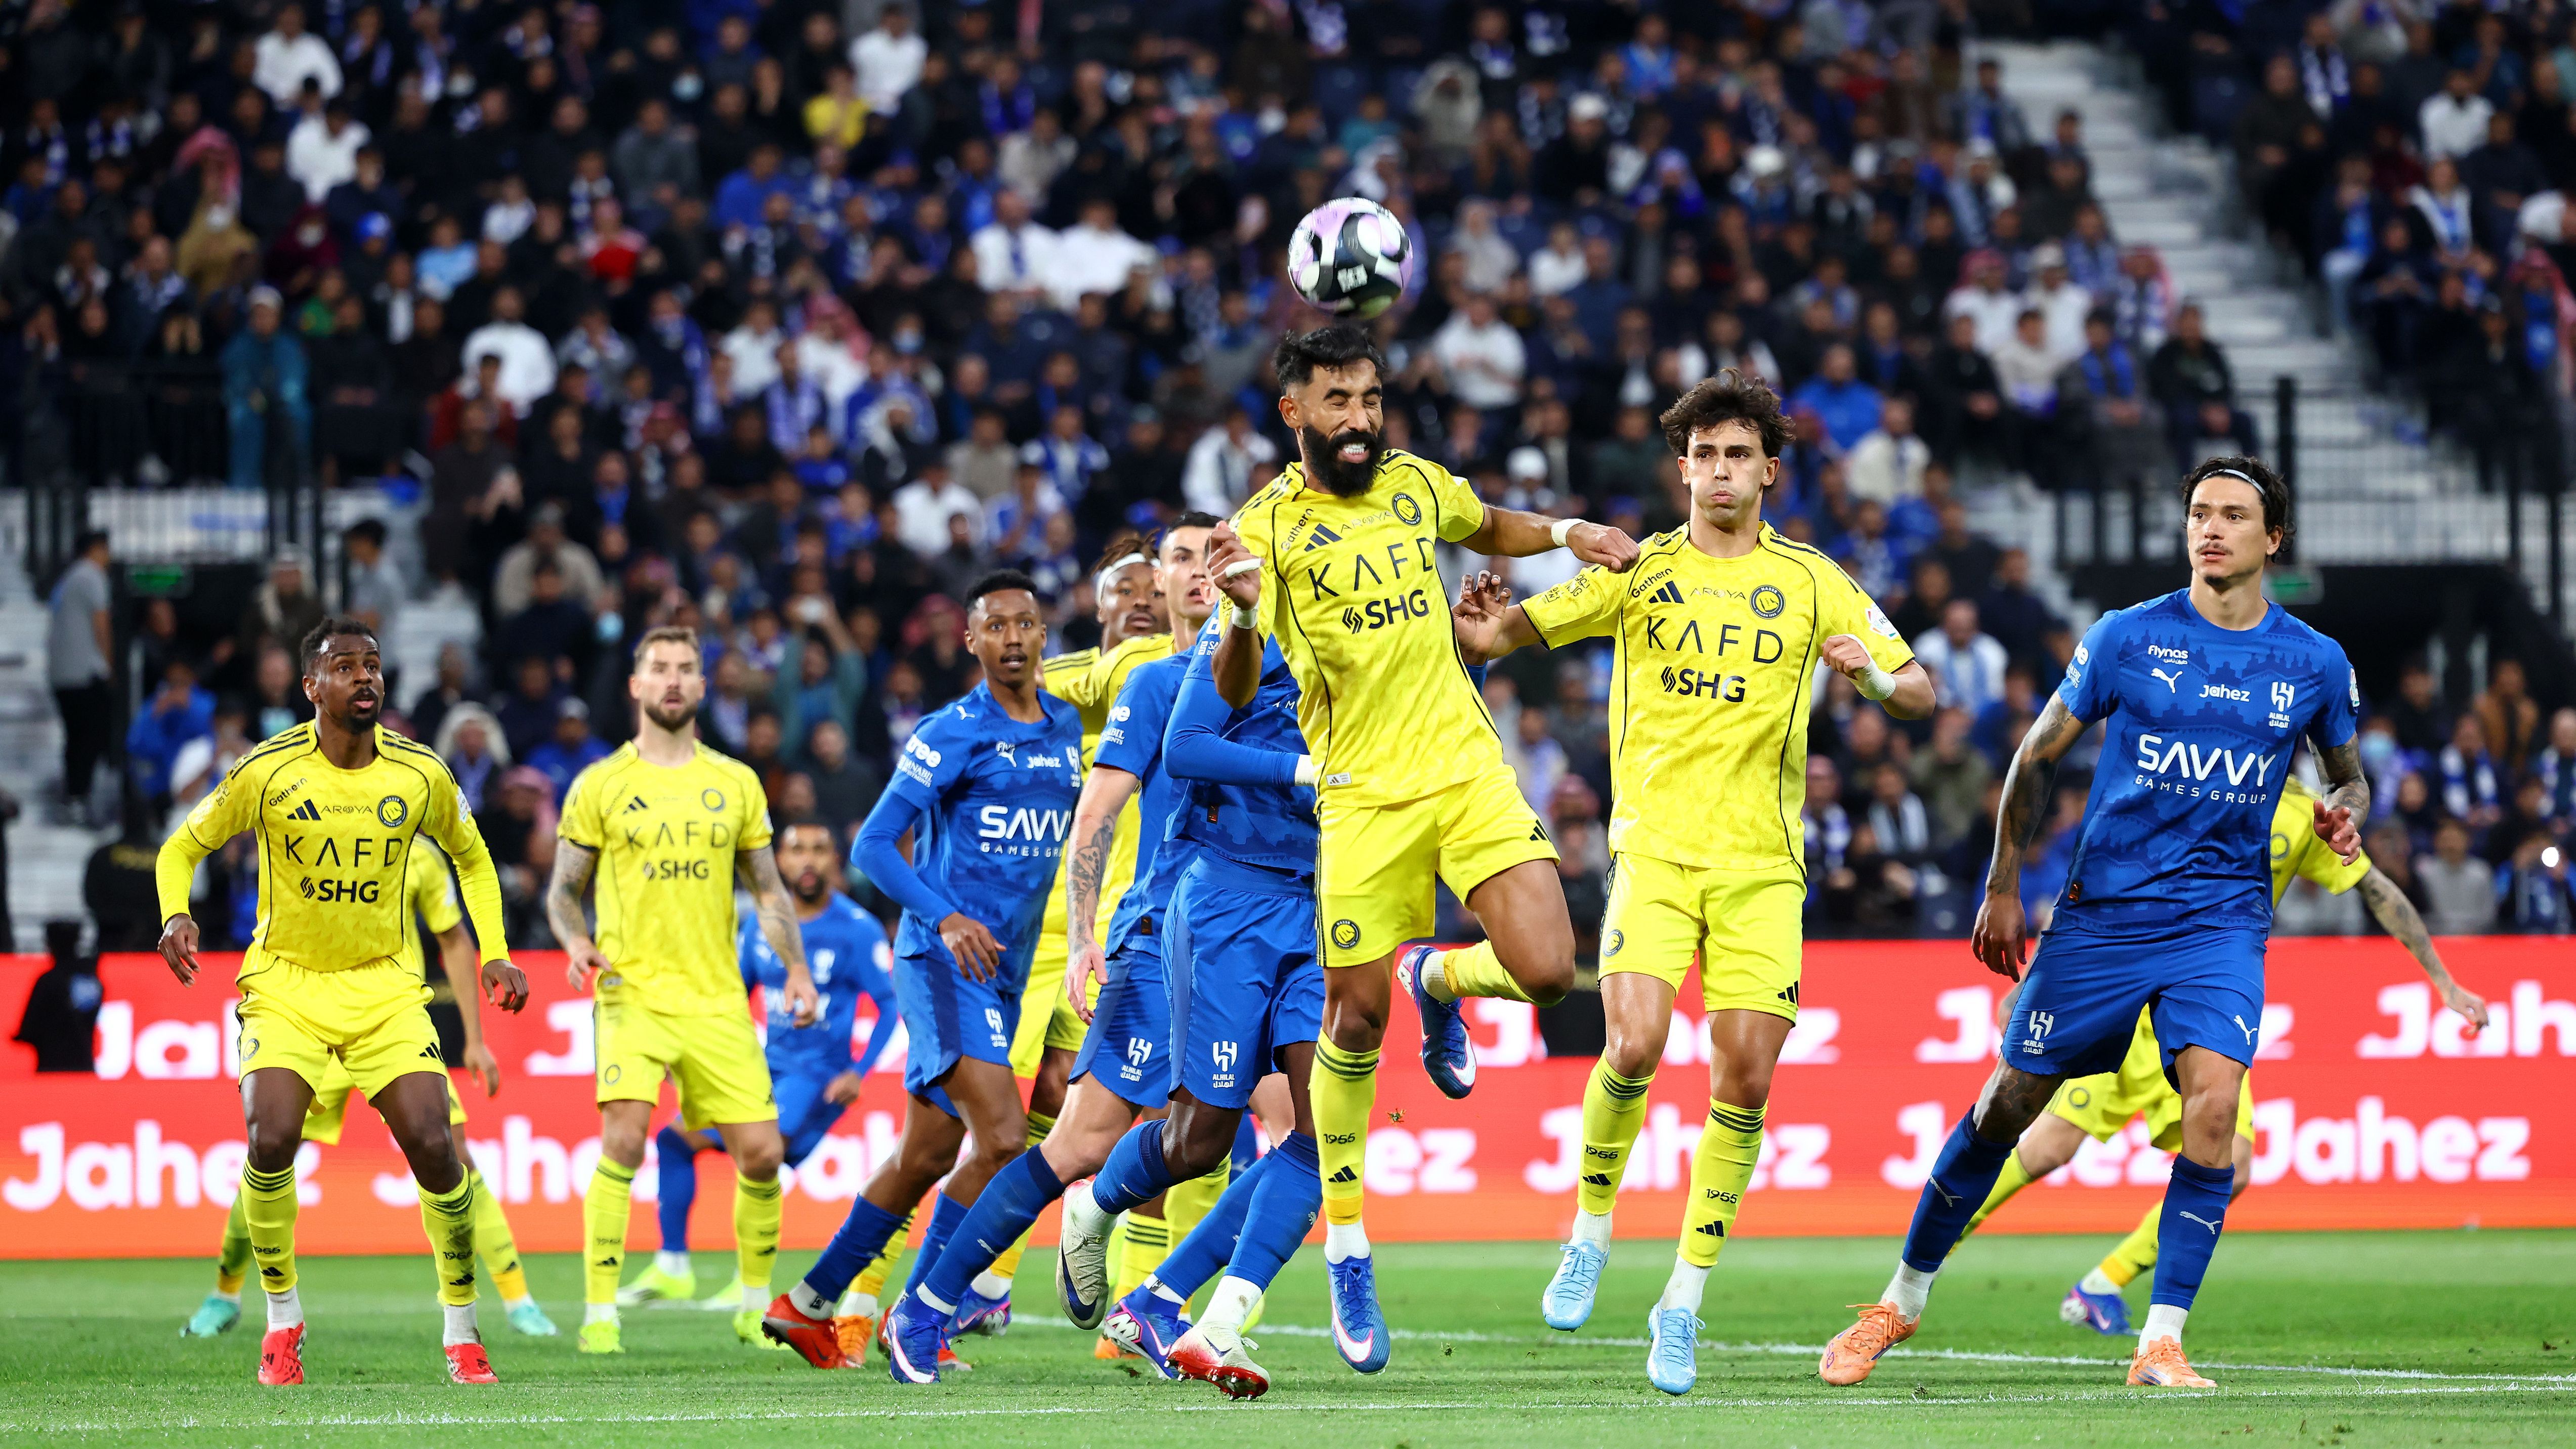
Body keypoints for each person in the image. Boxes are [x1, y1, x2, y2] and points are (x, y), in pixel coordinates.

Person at [1818, 458, 2364, 1391]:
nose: (2212, 529)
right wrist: (2001, 883)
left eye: (2234, 515)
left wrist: (2344, 806)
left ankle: (2160, 1341)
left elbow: (2347, 770)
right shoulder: (2127, 637)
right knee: (2006, 1107)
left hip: (2221, 922)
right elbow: (2036, 756)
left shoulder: (2314, 661)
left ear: (2274, 538)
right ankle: (1898, 1301)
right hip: (2103, 917)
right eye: (2199, 512)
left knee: (2217, 1115)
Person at [1447, 370, 1934, 1394]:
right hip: (1656, 853)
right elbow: (1513, 636)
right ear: (1682, 469)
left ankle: (1681, 1300)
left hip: (1763, 870)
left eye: (1736, 454)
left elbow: (1919, 690)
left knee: (1744, 1083)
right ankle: (1588, 1229)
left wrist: (1873, 677)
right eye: (1702, 454)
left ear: (1768, 469)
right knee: (1630, 1042)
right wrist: (1483, 628)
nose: (1718, 470)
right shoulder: (1639, 568)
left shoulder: (1812, 581)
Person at [1200, 324, 1639, 1372]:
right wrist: (1238, 618)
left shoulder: (1410, 481)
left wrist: (1569, 529)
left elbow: (1489, 521)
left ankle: (1438, 980)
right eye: (1336, 400)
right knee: (1352, 1017)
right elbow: (1230, 692)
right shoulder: (1260, 528)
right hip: (1361, 796)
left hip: (1464, 769)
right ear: (1292, 412)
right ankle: (1348, 1249)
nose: (1358, 417)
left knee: (1543, 968)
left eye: (1368, 396)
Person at [1951, 775, 2487, 1333]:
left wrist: (2445, 982)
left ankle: (2101, 1283)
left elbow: (2376, 888)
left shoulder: (2306, 814)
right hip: (2131, 1000)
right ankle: (1926, 1258)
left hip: (2201, 1009)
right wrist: (2035, 979)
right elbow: (2106, 873)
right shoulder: (2192, 776)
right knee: (2044, 1148)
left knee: (2230, 1164)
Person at [877, 521, 1220, 1382]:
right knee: (1046, 1132)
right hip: (1103, 936)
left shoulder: (1270, 672)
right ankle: (928, 1296)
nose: (1158, 593)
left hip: (1245, 933)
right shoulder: (1128, 682)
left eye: (1199, 562)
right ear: (1100, 608)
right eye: (1147, 578)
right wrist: (1077, 931)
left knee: (1232, 1131)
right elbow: (1080, 804)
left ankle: (1149, 1296)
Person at [153, 617, 530, 1386]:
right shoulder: (268, 769)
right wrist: (175, 911)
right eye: (346, 667)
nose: (366, 678)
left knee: (436, 1144)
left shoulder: (419, 773)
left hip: (385, 989)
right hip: (286, 985)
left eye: (374, 667)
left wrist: (495, 950)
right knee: (270, 1138)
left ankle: (462, 1329)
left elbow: (475, 859)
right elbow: (180, 846)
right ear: (311, 687)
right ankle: (281, 1322)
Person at [758, 573, 1081, 1371]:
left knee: (927, 1157)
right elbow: (871, 846)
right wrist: (945, 914)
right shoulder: (952, 730)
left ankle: (806, 1305)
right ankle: (920, 1316)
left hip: (1002, 969)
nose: (1012, 638)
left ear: (1044, 638)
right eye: (994, 626)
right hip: (941, 959)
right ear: (969, 643)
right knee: (1006, 1136)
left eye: (1025, 625)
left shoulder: (1071, 729)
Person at [544, 626, 820, 1356]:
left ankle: (754, 1307)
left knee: (761, 1155)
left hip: (717, 1001)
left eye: (685, 670)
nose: (672, 680)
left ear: (703, 688)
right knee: (626, 1139)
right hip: (631, 994)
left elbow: (768, 890)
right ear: (635, 687)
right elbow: (563, 892)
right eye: (658, 669)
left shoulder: (736, 782)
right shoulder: (600, 784)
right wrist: (577, 943)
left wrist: (795, 970)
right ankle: (599, 1311)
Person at [182, 840, 559, 1342]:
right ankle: (224, 1294)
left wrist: (473, 1039)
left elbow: (454, 939)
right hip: (308, 1020)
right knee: (271, 1151)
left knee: (455, 1153)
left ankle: (518, 1299)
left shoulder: (419, 853)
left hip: (389, 1026)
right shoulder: (314, 823)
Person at [624, 820, 894, 1311]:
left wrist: (860, 1070)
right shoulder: (759, 925)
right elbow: (730, 996)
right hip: (762, 1068)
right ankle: (673, 1265)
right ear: (780, 862)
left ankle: (748, 1285)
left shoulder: (856, 928)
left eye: (818, 848)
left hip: (816, 1077)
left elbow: (891, 1004)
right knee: (673, 1138)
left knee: (760, 1155)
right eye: (795, 850)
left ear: (835, 860)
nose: (807, 860)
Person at [46, 530, 113, 825]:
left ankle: (73, 796)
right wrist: (111, 665)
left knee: (75, 737)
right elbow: (101, 623)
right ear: (96, 549)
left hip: (61, 674)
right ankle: (83, 797)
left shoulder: (68, 578)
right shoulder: (91, 576)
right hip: (85, 673)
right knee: (91, 737)